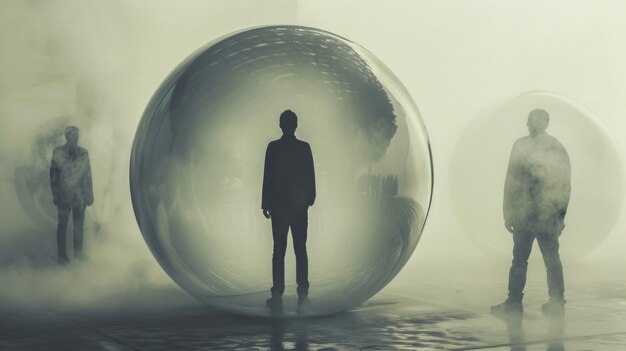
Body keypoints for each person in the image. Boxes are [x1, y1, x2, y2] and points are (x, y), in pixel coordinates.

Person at [491, 109, 571, 317]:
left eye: (532, 121)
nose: (530, 124)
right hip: (543, 214)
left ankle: (515, 302)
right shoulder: (556, 147)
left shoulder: (522, 146)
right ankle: (556, 302)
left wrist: (508, 212)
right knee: (549, 259)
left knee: (521, 259)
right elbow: (565, 185)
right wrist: (560, 216)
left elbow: (512, 180)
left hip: (527, 213)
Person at [262, 110, 316, 311]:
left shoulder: (273, 148)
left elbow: (268, 176)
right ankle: (302, 293)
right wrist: (309, 199)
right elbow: (310, 175)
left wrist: (266, 203)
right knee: (300, 250)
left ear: (280, 125)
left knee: (279, 251)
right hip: (299, 206)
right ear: (296, 125)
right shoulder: (304, 148)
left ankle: (277, 292)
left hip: (279, 206)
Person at [50, 126, 94, 264]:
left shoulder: (83, 152)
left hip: (79, 195)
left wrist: (89, 194)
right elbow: (53, 176)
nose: (75, 137)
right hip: (64, 195)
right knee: (63, 224)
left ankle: (78, 254)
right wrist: (56, 195)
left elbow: (87, 174)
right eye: (73, 135)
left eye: (76, 135)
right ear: (66, 136)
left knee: (78, 226)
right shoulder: (58, 151)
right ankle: (61, 255)